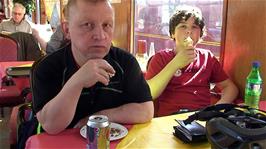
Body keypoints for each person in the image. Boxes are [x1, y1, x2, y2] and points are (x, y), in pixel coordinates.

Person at [32, 0, 154, 135]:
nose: (100, 36)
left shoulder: (126, 62)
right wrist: (77, 81)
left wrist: (98, 118)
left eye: (106, 25)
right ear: (67, 30)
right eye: (88, 25)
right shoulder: (47, 67)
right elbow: (51, 125)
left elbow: (146, 110)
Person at [145, 5, 238, 117]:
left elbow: (230, 88)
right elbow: (149, 93)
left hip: (200, 117)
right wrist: (176, 62)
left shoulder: (207, 58)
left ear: (200, 34)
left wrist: (217, 109)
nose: (189, 31)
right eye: (183, 26)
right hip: (169, 118)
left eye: (194, 27)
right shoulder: (161, 58)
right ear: (172, 33)